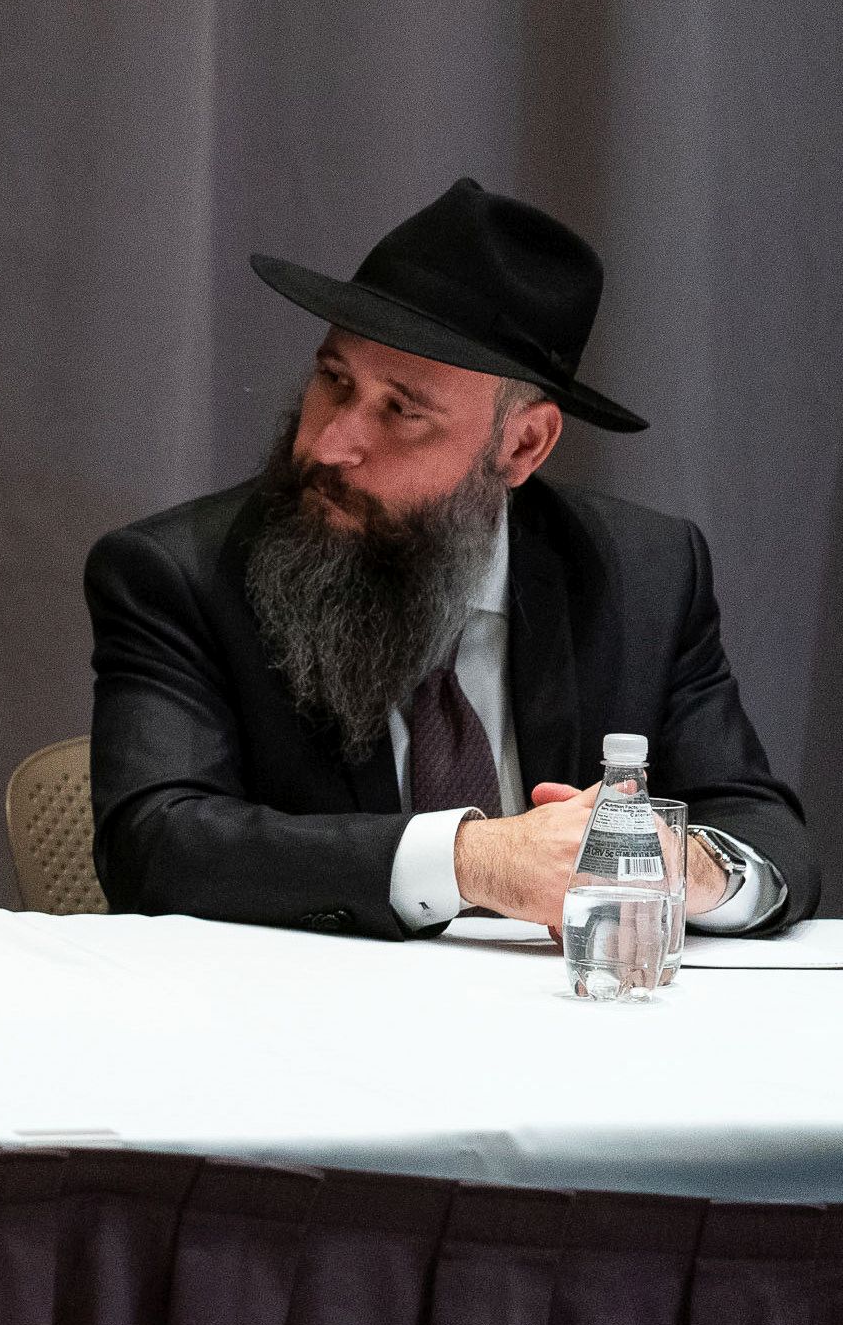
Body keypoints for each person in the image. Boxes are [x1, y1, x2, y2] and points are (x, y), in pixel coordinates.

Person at [86, 177, 817, 938]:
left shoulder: (645, 576)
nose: (331, 444)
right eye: (333, 382)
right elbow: (154, 844)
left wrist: (687, 868)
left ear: (523, 444)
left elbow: (768, 837)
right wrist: (470, 860)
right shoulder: (177, 575)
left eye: (402, 412)